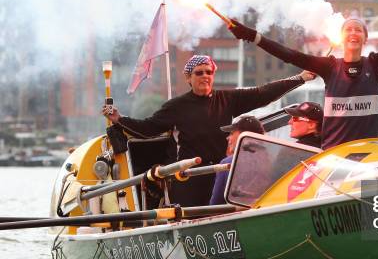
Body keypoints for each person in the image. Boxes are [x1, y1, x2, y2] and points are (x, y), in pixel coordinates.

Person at [103, 54, 315, 207]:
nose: (205, 76)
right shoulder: (176, 106)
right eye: (199, 73)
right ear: (188, 78)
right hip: (190, 177)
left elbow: (263, 94)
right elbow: (147, 129)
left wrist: (300, 78)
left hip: (221, 174)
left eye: (209, 72)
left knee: (222, 213)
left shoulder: (227, 99)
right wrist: (119, 119)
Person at [227, 0, 378, 149]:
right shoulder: (330, 67)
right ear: (342, 38)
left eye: (358, 30)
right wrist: (253, 36)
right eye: (348, 29)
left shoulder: (375, 64)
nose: (353, 33)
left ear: (365, 39)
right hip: (334, 157)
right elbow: (289, 55)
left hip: (369, 155)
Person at [209, 115, 264, 205]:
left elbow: (215, 205)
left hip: (238, 217)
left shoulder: (227, 163)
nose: (228, 138)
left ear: (244, 135)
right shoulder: (273, 160)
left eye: (231, 133)